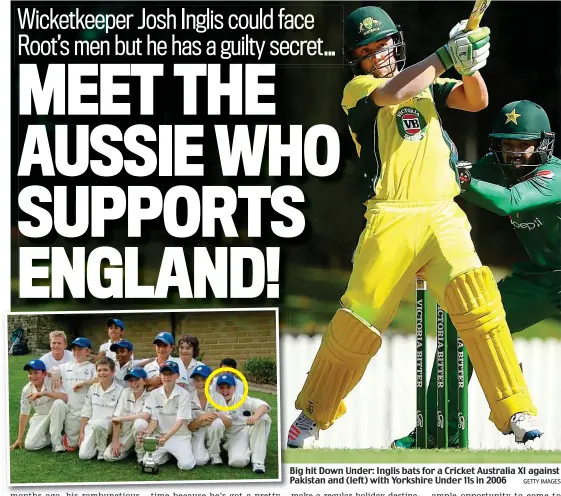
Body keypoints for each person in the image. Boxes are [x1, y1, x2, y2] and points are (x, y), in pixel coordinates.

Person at [287, 5, 541, 449]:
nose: (378, 54)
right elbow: (391, 93)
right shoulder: (359, 90)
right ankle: (313, 414)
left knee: (480, 304)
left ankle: (514, 408)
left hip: (442, 214)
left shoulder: (427, 86)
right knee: (357, 324)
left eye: (383, 44)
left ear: (396, 42)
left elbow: (475, 99)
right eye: (367, 51)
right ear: (357, 60)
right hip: (390, 219)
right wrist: (447, 53)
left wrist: (469, 65)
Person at [393, 100, 559, 448]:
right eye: (507, 145)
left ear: (542, 144)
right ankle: (439, 433)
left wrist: (460, 177)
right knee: (463, 326)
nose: (513, 154)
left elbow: (507, 202)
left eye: (522, 146)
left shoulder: (554, 175)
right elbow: (444, 182)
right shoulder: (494, 167)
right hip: (541, 280)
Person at [138, 360, 196, 471]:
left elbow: (180, 421)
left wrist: (166, 438)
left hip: (180, 436)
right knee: (146, 463)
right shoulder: (154, 394)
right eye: (164, 374)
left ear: (177, 376)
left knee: (186, 466)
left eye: (170, 374)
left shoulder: (184, 394)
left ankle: (177, 452)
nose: (167, 377)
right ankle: (166, 455)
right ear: (160, 375)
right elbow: (154, 420)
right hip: (160, 436)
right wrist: (147, 434)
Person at [217, 373, 271, 474]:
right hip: (224, 435)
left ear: (234, 388)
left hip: (241, 432)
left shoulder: (240, 398)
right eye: (221, 387)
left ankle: (258, 462)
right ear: (217, 388)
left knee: (263, 418)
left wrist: (255, 416)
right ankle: (242, 448)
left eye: (228, 387)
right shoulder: (213, 399)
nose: (225, 391)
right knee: (237, 462)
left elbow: (263, 405)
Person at [10, 359, 68, 453]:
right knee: (30, 445)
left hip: (58, 414)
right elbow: (24, 414)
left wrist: (44, 393)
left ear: (44, 374)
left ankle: (56, 443)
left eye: (36, 373)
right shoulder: (26, 390)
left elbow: (64, 398)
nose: (32, 376)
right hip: (41, 416)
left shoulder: (52, 381)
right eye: (30, 373)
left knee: (58, 403)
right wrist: (19, 438)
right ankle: (53, 436)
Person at [53, 337, 97, 451]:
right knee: (72, 445)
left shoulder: (92, 367)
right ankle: (57, 441)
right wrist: (54, 374)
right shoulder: (65, 366)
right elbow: (51, 370)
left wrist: (84, 382)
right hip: (70, 408)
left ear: (87, 351)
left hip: (85, 410)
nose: (76, 352)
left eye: (80, 349)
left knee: (79, 445)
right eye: (74, 349)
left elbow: (100, 379)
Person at [79, 357, 123, 460]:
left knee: (100, 424)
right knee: (84, 455)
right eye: (99, 370)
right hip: (92, 425)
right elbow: (86, 411)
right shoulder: (92, 388)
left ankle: (102, 451)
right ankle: (99, 444)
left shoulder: (121, 390)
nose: (102, 373)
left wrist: (115, 439)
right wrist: (82, 432)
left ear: (113, 371)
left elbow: (118, 417)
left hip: (108, 427)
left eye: (105, 370)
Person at [188, 365, 231, 466]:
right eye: (197, 380)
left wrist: (217, 415)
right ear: (193, 382)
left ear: (211, 381)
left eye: (204, 379)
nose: (201, 383)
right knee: (199, 461)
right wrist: (201, 418)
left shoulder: (217, 397)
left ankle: (215, 454)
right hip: (197, 432)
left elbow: (229, 423)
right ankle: (205, 449)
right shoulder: (188, 398)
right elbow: (189, 427)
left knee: (217, 423)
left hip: (213, 430)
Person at [104, 367, 150, 462]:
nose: (133, 383)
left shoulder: (150, 395)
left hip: (141, 433)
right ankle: (129, 449)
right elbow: (116, 419)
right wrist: (115, 440)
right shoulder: (125, 392)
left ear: (145, 381)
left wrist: (122, 419)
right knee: (108, 456)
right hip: (125, 433)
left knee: (139, 423)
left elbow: (145, 415)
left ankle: (140, 452)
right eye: (130, 380)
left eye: (137, 379)